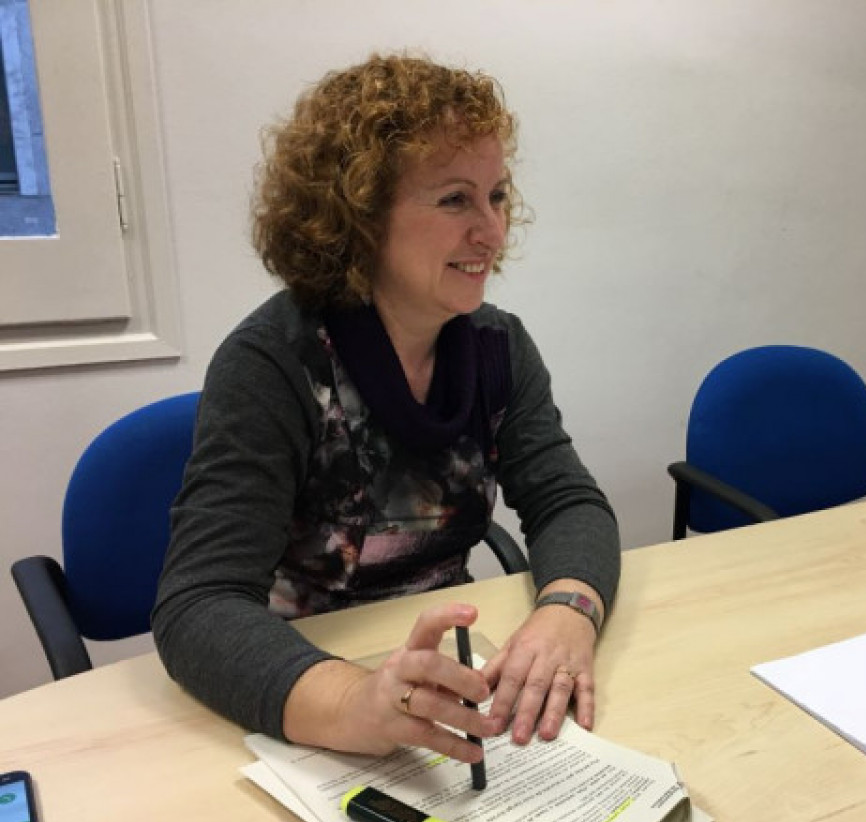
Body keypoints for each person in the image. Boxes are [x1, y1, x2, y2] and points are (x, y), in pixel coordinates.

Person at [152, 54, 620, 764]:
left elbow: (568, 502)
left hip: (446, 673)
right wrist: (350, 700)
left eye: (496, 195)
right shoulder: (274, 363)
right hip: (298, 689)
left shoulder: (498, 347)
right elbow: (199, 604)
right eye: (455, 199)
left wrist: (569, 610)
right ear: (359, 216)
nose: (492, 231)